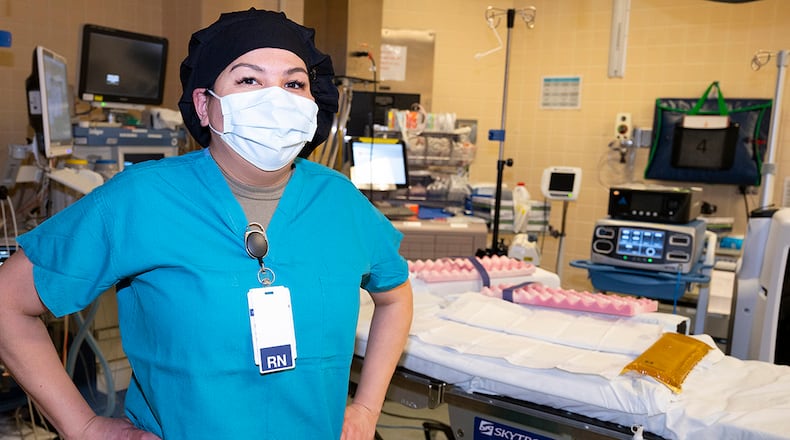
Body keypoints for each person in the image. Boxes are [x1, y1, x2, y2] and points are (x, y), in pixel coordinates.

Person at [0, 9, 413, 440]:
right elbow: (7, 303)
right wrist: (82, 426)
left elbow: (396, 297)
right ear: (204, 104)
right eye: (248, 80)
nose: (277, 98)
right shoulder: (141, 199)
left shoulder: (340, 202)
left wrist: (365, 409)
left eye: (294, 83)